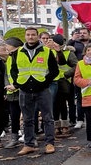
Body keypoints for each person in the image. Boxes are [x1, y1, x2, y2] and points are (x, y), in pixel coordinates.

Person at [8, 27, 59, 155]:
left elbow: (54, 71)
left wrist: (45, 82)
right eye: (28, 35)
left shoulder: (47, 51)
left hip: (42, 89)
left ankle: (49, 143)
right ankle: (29, 144)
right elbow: (13, 70)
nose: (30, 37)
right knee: (27, 119)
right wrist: (18, 83)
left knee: (48, 118)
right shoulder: (17, 52)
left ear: (37, 36)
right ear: (25, 37)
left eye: (33, 35)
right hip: (25, 89)